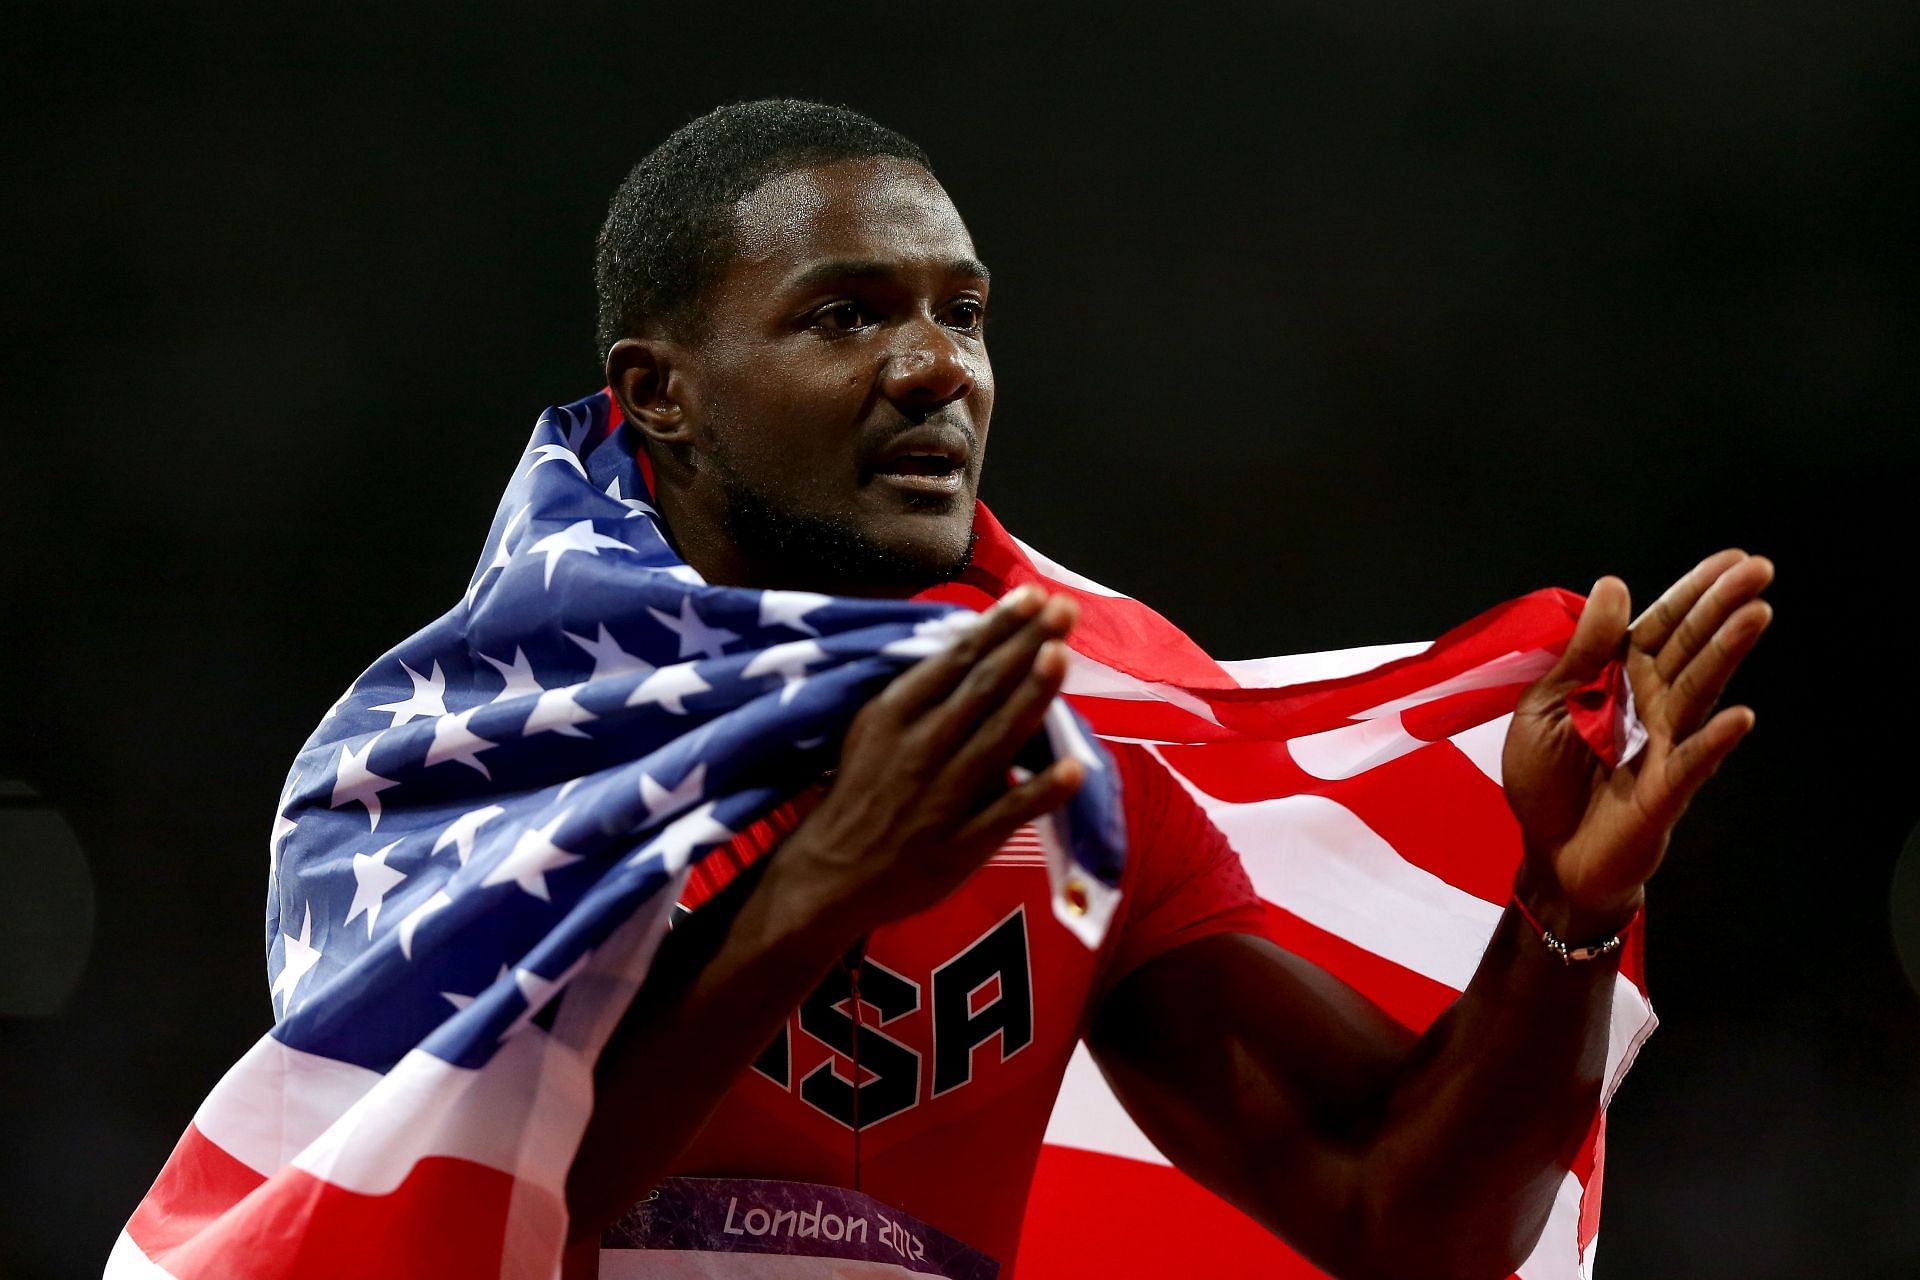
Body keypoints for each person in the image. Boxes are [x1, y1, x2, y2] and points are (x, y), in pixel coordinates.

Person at [559, 99, 1772, 1279]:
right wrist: (819, 888)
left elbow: (1405, 1217)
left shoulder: (1067, 796)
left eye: (964, 313)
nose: (938, 367)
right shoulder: (474, 762)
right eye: (844, 316)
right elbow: (423, 1194)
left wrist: (1565, 908)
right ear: (662, 391)